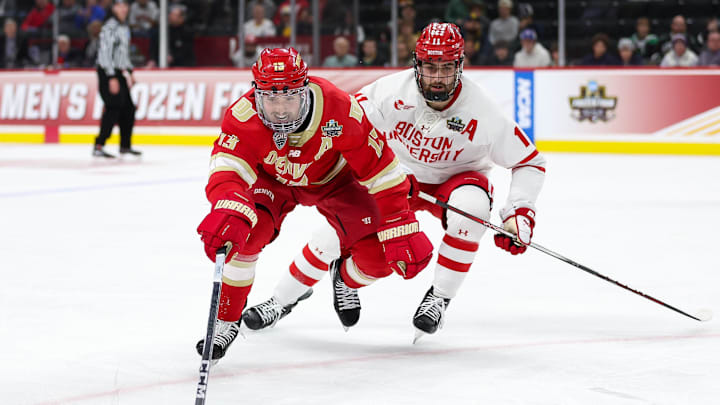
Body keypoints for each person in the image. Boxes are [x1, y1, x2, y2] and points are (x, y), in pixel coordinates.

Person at [244, 23, 546, 341]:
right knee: (335, 235)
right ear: (417, 65)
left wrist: (520, 213)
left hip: (456, 181)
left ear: (460, 66)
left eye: (446, 68)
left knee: (473, 211)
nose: (438, 77)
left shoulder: (484, 111)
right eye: (430, 67)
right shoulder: (389, 92)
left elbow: (530, 161)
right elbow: (346, 127)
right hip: (394, 177)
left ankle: (439, 297)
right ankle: (281, 301)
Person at [195, 47, 433, 360]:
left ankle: (344, 277)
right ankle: (226, 320)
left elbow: (380, 169)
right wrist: (229, 204)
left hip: (335, 183)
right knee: (243, 238)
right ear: (256, 94)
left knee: (379, 259)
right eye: (271, 99)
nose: (280, 111)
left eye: (289, 98)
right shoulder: (243, 115)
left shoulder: (340, 109)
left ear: (305, 91)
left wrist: (398, 219)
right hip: (274, 183)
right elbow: (228, 168)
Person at [94, 0, 140, 158]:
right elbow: (105, 53)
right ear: (113, 8)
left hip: (119, 72)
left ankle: (125, 146)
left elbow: (123, 54)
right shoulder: (109, 27)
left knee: (128, 108)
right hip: (108, 72)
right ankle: (99, 144)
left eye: (125, 6)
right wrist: (111, 76)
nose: (123, 9)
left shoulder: (124, 27)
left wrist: (130, 71)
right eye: (120, 6)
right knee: (113, 107)